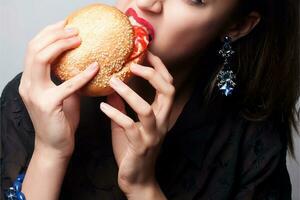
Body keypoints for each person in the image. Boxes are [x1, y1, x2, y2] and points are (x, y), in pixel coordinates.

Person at [1, 0, 299, 199]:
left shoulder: (252, 140)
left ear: (236, 26)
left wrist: (143, 186)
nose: (147, 2)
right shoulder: (40, 99)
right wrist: (50, 152)